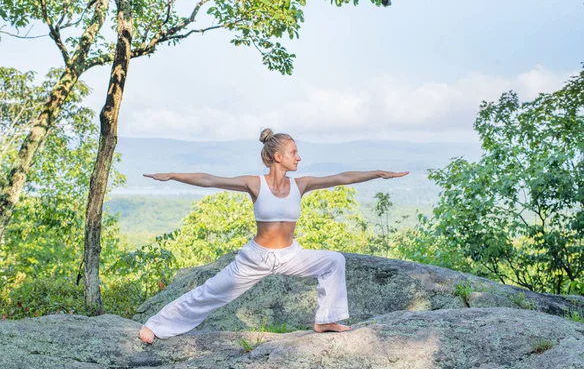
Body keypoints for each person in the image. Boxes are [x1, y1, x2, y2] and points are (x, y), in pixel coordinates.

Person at [138, 128, 409, 344]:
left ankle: (326, 320)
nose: (299, 157)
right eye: (294, 152)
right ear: (278, 157)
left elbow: (341, 178)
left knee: (334, 260)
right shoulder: (255, 183)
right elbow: (210, 179)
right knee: (209, 293)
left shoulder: (301, 185)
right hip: (256, 259)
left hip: (291, 256)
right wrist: (173, 175)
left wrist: (378, 174)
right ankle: (156, 324)